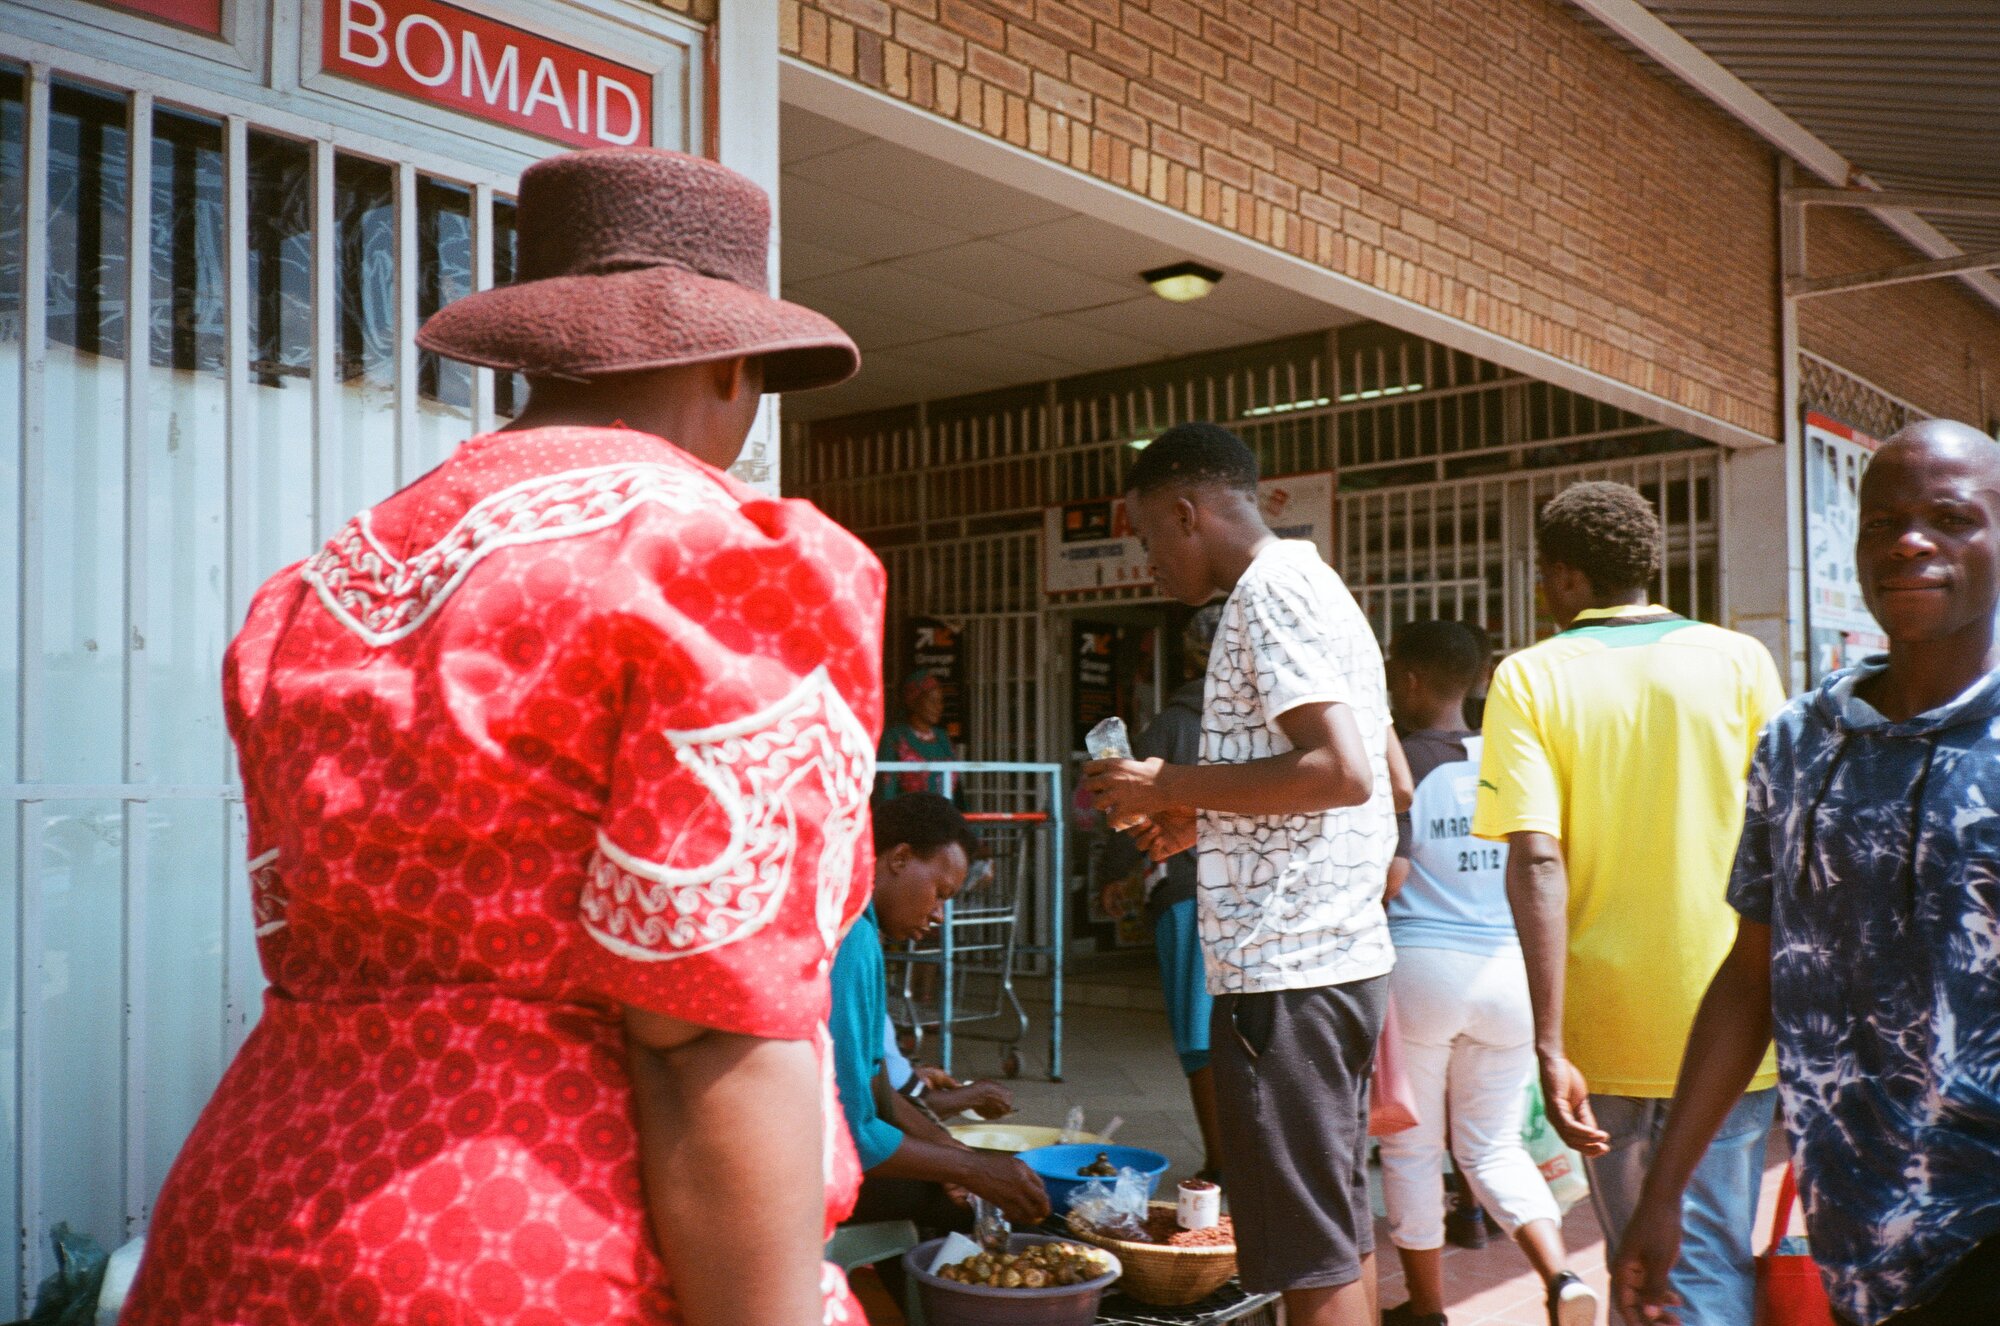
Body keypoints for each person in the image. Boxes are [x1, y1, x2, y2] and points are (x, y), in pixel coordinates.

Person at [120, 148, 880, 1326]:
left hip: (244, 1220)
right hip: (536, 1252)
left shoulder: (330, 580)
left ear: (538, 355)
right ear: (735, 364)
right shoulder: (713, 561)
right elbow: (703, 1032)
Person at [1614, 420, 2000, 1326]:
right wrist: (1666, 1191)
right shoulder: (1800, 742)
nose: (1911, 541)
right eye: (1883, 522)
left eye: (1952, 517)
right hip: (1856, 1239)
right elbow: (1753, 974)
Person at [1085, 422, 1397, 1326]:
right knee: (1333, 1235)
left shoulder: (1269, 593)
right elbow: (1341, 775)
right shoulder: (1312, 583)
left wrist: (1168, 781)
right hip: (1327, 956)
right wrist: (1200, 818)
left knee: (1307, 1257)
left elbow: (1341, 771)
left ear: (1186, 514)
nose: (1147, 563)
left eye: (1147, 539)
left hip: (1287, 968)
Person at [1471, 480, 1787, 1325]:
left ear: (1565, 576)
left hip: (1602, 1028)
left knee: (1632, 1263)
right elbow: (1787, 838)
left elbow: (1537, 859)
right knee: (1708, 1257)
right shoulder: (1741, 661)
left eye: (1545, 574)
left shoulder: (1530, 678)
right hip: (1735, 1012)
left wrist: (1546, 1040)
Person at [1376, 621, 1597, 1326]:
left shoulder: (1404, 763)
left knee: (1410, 1148)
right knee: (1492, 1146)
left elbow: (1389, 875)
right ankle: (1561, 1277)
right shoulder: (1510, 760)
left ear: (1409, 679)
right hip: (1509, 975)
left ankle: (1429, 1308)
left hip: (1421, 973)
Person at [831, 794, 1051, 1296]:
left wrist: (952, 1151)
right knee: (996, 1215)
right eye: (939, 892)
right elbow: (853, 1137)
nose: (940, 914)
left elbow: (878, 1088)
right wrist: (971, 1169)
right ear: (900, 858)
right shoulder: (852, 939)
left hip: (829, 1154)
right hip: (807, 1174)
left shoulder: (860, 927)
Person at [1134, 603, 1227, 1180]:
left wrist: (1119, 875)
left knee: (1198, 1037)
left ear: (1192, 656)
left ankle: (1223, 1160)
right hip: (1254, 890)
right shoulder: (1270, 720)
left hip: (1186, 886)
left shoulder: (1169, 724)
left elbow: (1128, 805)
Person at [878, 669, 957, 800]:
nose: (938, 707)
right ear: (913, 701)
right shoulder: (895, 738)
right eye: (932, 701)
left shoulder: (943, 738)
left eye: (940, 701)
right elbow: (887, 787)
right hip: (909, 816)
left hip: (944, 815)